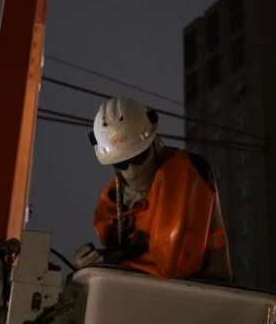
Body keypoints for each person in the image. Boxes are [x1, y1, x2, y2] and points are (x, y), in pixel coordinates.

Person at [77, 96, 233, 281]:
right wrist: (96, 259)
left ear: (153, 143)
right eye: (122, 164)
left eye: (139, 158)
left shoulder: (189, 173)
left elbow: (171, 263)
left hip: (202, 287)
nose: (132, 171)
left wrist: (115, 258)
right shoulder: (113, 198)